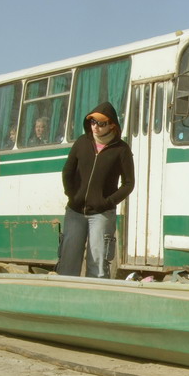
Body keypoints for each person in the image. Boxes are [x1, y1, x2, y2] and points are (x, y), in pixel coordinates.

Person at [57, 102, 135, 278]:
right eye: (92, 122)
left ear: (112, 125)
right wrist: (72, 195)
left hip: (102, 214)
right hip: (75, 212)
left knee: (97, 263)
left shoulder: (121, 149)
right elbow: (67, 171)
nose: (95, 127)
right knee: (68, 261)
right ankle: (65, 292)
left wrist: (107, 202)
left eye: (101, 123)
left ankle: (95, 293)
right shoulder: (82, 142)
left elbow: (129, 183)